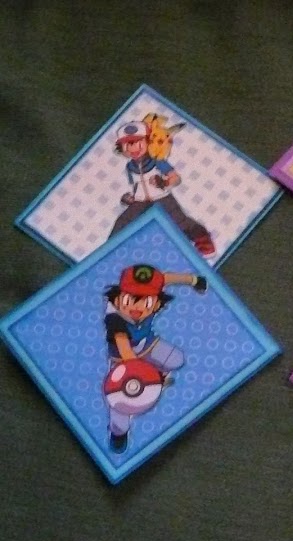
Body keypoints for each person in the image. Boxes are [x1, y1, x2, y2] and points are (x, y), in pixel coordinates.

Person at [103, 263, 207, 452]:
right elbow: (125, 349)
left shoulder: (157, 291)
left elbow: (166, 278)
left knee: (177, 359)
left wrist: (194, 280)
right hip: (123, 363)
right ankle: (118, 433)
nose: (137, 308)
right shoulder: (114, 319)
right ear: (117, 299)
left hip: (149, 346)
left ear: (157, 304)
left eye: (147, 303)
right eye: (129, 300)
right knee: (119, 402)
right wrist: (146, 376)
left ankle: (159, 375)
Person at [109, 120, 216, 257]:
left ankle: (204, 243)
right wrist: (129, 198)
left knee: (180, 221)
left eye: (138, 142)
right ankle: (111, 251)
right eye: (127, 145)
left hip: (162, 198)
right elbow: (136, 187)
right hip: (140, 202)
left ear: (149, 142)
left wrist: (164, 183)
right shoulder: (130, 167)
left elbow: (176, 178)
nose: (133, 148)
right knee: (123, 222)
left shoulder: (157, 162)